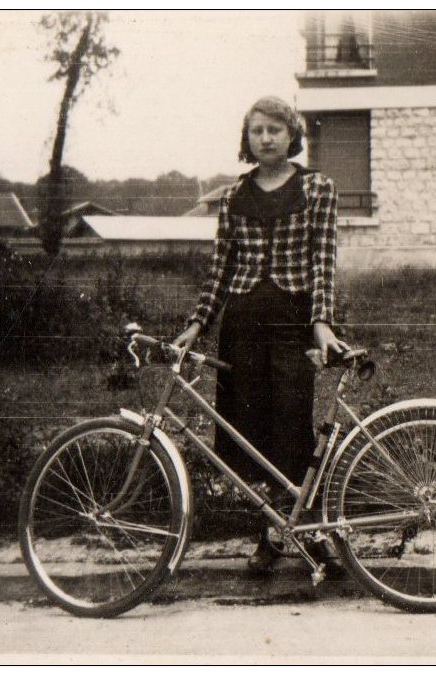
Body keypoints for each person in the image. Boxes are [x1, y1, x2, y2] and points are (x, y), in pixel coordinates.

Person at [174, 96, 349, 574]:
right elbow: (220, 270)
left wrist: (321, 321)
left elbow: (323, 261)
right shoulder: (232, 196)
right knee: (247, 430)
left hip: (292, 319)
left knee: (292, 424)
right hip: (243, 321)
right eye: (257, 131)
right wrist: (197, 324)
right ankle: (270, 533)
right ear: (246, 139)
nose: (266, 138)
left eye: (275, 129)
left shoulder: (317, 189)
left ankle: (307, 533)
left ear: (292, 134)